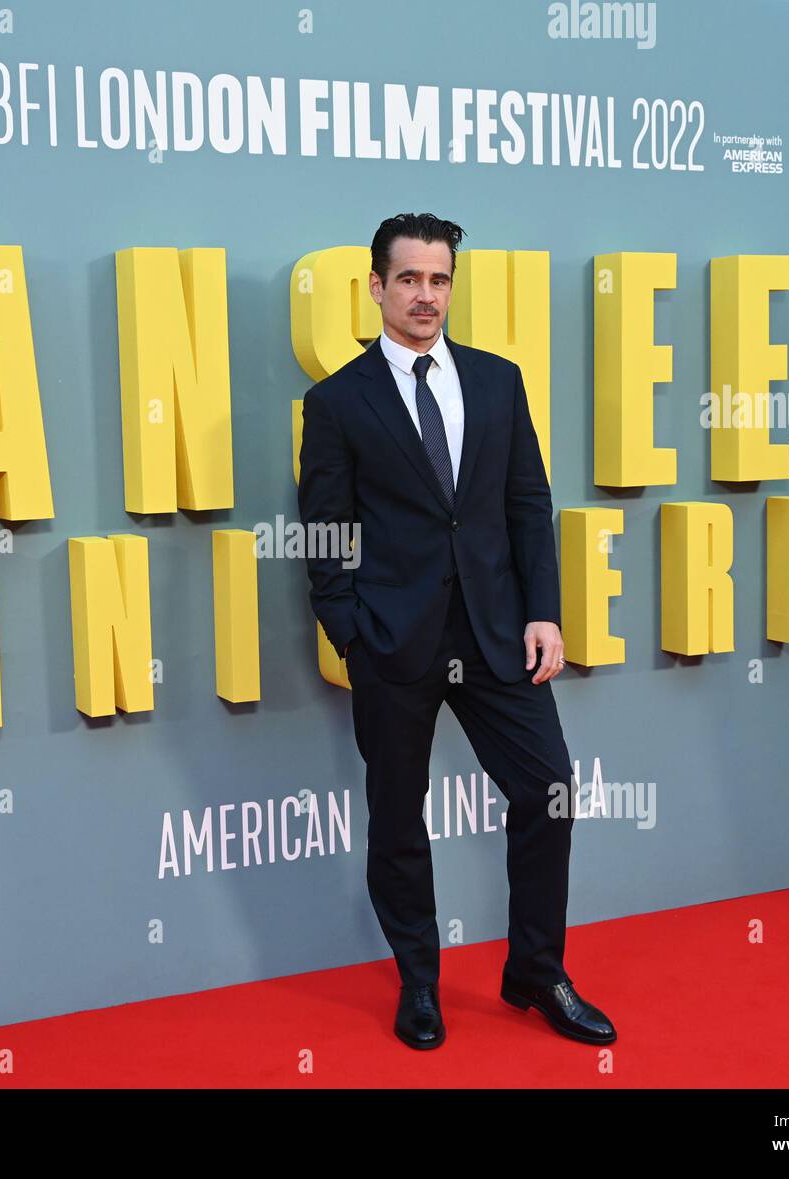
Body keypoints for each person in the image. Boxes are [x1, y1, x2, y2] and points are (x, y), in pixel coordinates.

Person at [296, 212, 616, 1050]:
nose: (425, 295)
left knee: (550, 790)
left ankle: (538, 972)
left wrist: (543, 612)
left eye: (439, 279)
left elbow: (526, 504)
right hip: (393, 643)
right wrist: (351, 634)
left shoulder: (497, 380)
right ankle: (421, 982)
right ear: (376, 286)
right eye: (409, 279)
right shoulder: (335, 402)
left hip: (496, 631)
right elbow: (324, 531)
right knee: (400, 817)